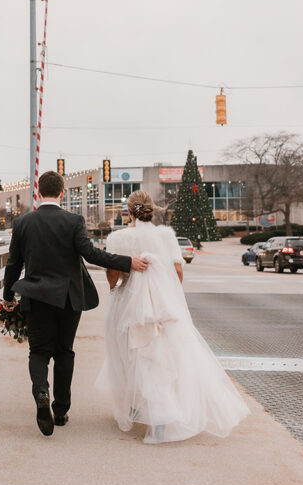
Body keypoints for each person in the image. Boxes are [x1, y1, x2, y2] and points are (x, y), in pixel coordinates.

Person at [3, 171, 150, 436]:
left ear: (38, 192)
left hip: (35, 297)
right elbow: (91, 254)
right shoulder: (73, 221)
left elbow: (14, 263)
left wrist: (7, 296)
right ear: (62, 193)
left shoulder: (23, 222)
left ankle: (41, 392)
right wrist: (127, 262)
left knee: (38, 352)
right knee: (64, 352)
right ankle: (60, 411)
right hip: (68, 299)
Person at [100, 190, 250, 443]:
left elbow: (113, 273)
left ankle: (139, 407)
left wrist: (116, 289)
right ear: (152, 208)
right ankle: (160, 414)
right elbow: (178, 272)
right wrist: (166, 294)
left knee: (129, 354)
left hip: (128, 305)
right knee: (162, 358)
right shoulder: (166, 235)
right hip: (163, 307)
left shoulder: (118, 237)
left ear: (128, 211)